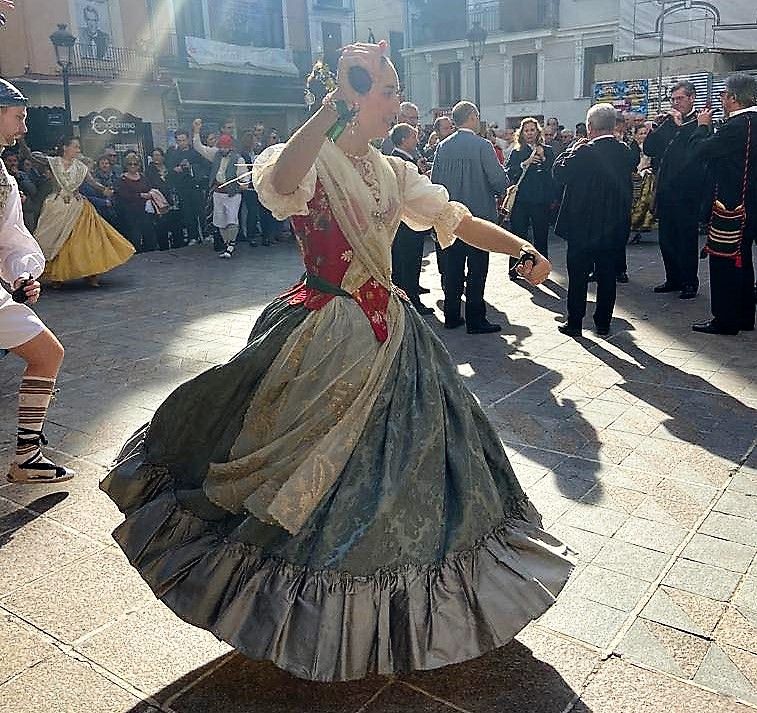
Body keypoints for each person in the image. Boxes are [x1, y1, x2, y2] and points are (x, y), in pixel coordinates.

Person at [100, 42, 572, 683]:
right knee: (310, 476)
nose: (398, 103)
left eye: (394, 89)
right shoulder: (311, 155)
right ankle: (309, 611)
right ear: (351, 96)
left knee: (411, 469)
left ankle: (392, 607)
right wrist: (327, 112)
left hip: (392, 334)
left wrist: (519, 246)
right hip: (325, 332)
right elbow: (285, 182)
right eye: (387, 91)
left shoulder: (391, 168)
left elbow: (455, 221)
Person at [0, 77, 74, 483]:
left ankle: (27, 456)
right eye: (18, 117)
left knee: (47, 353)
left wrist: (23, 273)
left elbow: (10, 237)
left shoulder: (3, 177)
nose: (24, 128)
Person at [552, 103, 636, 337]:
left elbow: (558, 173)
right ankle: (603, 322)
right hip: (613, 225)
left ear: (590, 127)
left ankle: (575, 322)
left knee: (578, 276)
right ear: (612, 126)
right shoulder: (625, 152)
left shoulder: (584, 152)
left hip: (582, 226)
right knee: (607, 276)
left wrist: (571, 149)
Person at [431, 100, 509, 333]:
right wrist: (503, 187)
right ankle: (476, 319)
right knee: (477, 269)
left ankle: (452, 315)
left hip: (450, 218)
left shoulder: (443, 146)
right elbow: (497, 180)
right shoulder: (482, 145)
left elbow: (435, 182)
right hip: (478, 219)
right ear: (473, 117)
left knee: (453, 268)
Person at [689, 74, 757, 335]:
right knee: (745, 260)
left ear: (733, 98)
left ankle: (726, 319)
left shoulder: (735, 126)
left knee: (725, 262)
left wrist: (702, 126)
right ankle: (744, 316)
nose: (720, 100)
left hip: (731, 206)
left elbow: (700, 150)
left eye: (723, 95)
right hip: (752, 205)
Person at [33, 137, 134, 288]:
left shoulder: (80, 167)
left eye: (79, 148)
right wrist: (21, 142)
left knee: (85, 241)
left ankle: (91, 273)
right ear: (65, 147)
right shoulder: (53, 162)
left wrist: (104, 190)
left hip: (78, 207)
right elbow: (31, 156)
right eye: (75, 147)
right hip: (56, 206)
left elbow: (92, 183)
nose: (78, 150)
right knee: (56, 240)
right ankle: (56, 276)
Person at [644, 80, 702, 299]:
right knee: (666, 237)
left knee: (686, 238)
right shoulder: (668, 121)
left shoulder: (700, 122)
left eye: (680, 98)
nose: (676, 103)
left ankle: (689, 281)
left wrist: (680, 126)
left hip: (688, 191)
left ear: (691, 98)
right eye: (673, 99)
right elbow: (650, 149)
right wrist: (653, 130)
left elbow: (695, 150)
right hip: (666, 189)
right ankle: (673, 278)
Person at [389, 122, 433, 315]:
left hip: (403, 222)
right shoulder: (401, 160)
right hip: (408, 222)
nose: (417, 140)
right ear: (405, 139)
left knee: (404, 262)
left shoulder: (404, 158)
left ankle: (407, 293)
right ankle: (412, 300)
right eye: (414, 137)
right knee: (409, 261)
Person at [505, 117, 556, 277]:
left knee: (541, 235)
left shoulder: (547, 150)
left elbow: (553, 173)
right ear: (521, 133)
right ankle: (515, 268)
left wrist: (544, 159)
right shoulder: (517, 151)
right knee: (519, 234)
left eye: (532, 130)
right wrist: (524, 163)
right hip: (521, 200)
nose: (529, 133)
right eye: (526, 130)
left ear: (537, 131)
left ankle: (541, 268)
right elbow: (509, 172)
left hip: (541, 200)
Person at [192, 119, 247, 259]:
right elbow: (199, 147)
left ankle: (230, 246)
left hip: (232, 194)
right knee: (220, 220)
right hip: (218, 193)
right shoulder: (214, 154)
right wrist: (196, 131)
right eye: (221, 147)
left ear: (231, 147)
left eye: (225, 148)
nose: (223, 150)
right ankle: (227, 244)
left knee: (232, 219)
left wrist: (244, 184)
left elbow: (244, 176)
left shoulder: (238, 159)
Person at [166, 128, 206, 246]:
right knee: (188, 213)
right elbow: (168, 170)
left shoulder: (196, 152)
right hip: (182, 188)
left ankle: (205, 234)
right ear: (176, 141)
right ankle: (192, 236)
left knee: (200, 211)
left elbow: (203, 166)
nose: (181, 143)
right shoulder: (172, 154)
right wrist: (175, 169)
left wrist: (191, 167)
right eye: (179, 140)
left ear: (188, 139)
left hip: (195, 187)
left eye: (183, 140)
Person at [115, 152, 158, 253]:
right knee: (135, 238)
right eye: (130, 164)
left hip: (145, 211)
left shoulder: (143, 177)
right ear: (126, 165)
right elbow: (123, 195)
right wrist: (140, 195)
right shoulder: (122, 179)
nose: (133, 166)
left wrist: (151, 194)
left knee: (149, 236)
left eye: (135, 164)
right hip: (130, 213)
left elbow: (149, 188)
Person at [145, 147, 177, 251]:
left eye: (158, 155)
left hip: (172, 198)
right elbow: (153, 184)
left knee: (174, 222)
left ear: (163, 157)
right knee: (161, 224)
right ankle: (163, 246)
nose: (156, 157)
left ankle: (177, 244)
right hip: (159, 200)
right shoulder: (150, 170)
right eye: (154, 155)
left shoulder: (169, 167)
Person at [629, 123, 656, 243]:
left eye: (645, 133)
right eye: (641, 133)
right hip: (636, 177)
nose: (644, 136)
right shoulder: (633, 148)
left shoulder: (652, 147)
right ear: (635, 136)